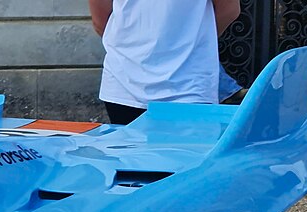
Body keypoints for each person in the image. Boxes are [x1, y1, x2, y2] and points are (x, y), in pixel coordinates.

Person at [89, 0, 242, 124]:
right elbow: (228, 10)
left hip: (129, 80)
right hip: (185, 82)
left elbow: (100, 20)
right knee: (187, 158)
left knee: (130, 159)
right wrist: (194, 39)